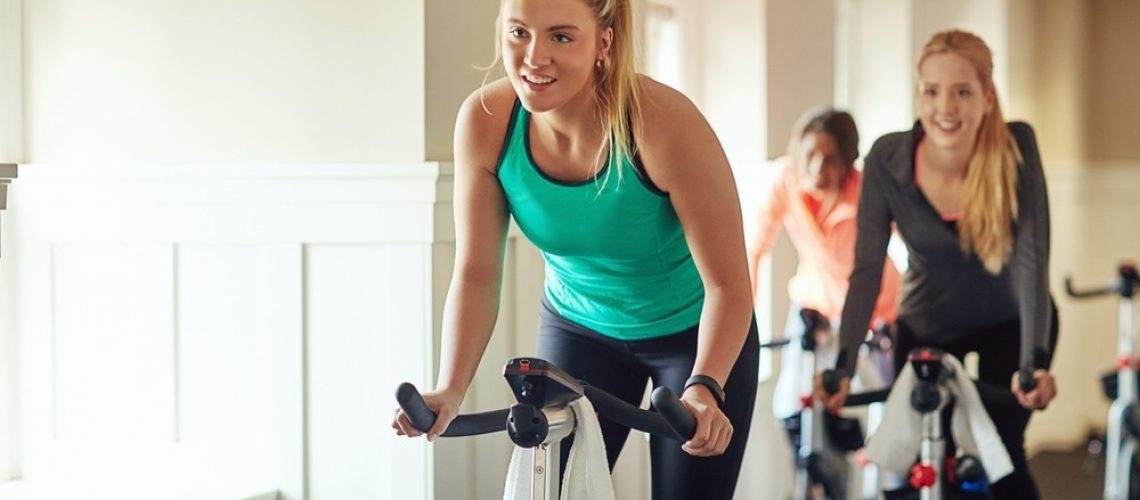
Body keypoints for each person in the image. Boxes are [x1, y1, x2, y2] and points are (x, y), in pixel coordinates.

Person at [391, 0, 759, 498]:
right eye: (519, 32)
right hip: (580, 328)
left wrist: (707, 385)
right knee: (553, 489)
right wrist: (450, 388)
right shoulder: (486, 123)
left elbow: (728, 283)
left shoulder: (662, 124)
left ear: (602, 41)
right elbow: (477, 273)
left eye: (561, 37)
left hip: (692, 335)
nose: (533, 57)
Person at [813, 29, 1059, 498]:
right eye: (932, 91)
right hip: (928, 325)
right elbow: (866, 270)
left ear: (987, 97)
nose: (945, 107)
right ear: (918, 94)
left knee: (998, 453)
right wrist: (843, 365)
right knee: (925, 457)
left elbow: (1031, 260)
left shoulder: (1016, 147)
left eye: (962, 92)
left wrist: (1035, 363)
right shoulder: (889, 158)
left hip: (1012, 323)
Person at [746, 107, 901, 460]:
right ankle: (820, 477)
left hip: (874, 308)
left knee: (889, 413)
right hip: (814, 302)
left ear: (849, 160)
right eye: (811, 156)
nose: (818, 168)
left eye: (830, 159)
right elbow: (753, 250)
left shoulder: (867, 192)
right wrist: (743, 321)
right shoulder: (785, 178)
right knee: (790, 408)